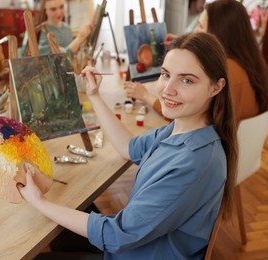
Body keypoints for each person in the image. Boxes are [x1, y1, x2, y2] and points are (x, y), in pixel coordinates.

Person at [15, 32, 238, 259]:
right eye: (165, 74)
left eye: (187, 80)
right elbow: (129, 148)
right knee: (61, 213)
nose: (167, 89)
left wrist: (37, 201)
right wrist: (94, 95)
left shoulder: (194, 163)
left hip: (130, 251)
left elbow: (117, 236)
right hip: (132, 244)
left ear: (216, 87)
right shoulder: (181, 128)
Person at [125, 0, 268, 122]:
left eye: (200, 26)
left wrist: (146, 96)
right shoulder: (248, 60)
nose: (194, 31)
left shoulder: (225, 72)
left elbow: (186, 117)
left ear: (219, 34)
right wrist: (184, 44)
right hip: (244, 150)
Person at [21, 0, 92, 57]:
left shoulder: (67, 28)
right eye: (53, 9)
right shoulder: (39, 31)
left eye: (61, 7)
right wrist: (79, 39)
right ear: (45, 10)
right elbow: (54, 60)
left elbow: (70, 58)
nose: (59, 12)